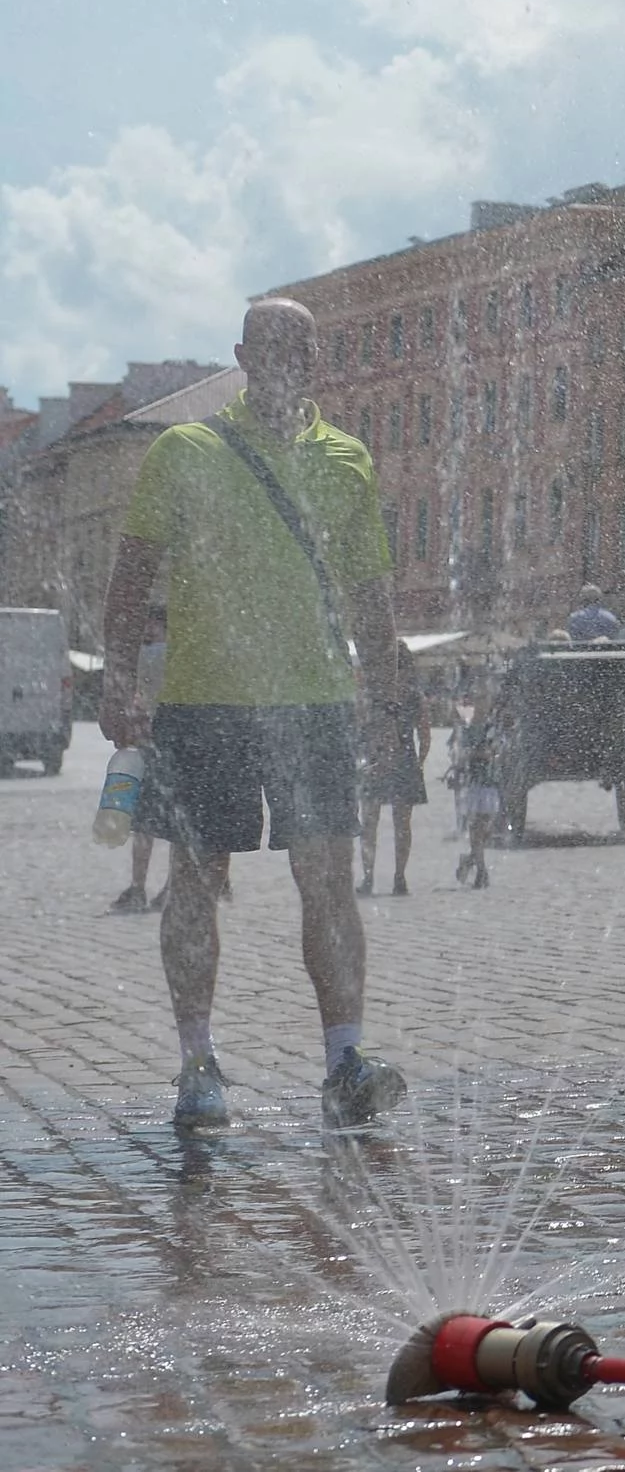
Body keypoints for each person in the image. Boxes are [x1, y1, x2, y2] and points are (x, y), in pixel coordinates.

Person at [96, 297, 410, 1132]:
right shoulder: (186, 449)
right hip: (205, 700)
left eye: (301, 348)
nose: (286, 361)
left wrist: (386, 698)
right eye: (271, 346)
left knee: (328, 879)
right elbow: (134, 575)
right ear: (242, 354)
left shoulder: (346, 459)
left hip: (315, 702)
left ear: (318, 362)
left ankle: (345, 1060)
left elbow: (372, 598)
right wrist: (118, 676)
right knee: (196, 879)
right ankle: (198, 1063)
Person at [111, 604, 172, 913]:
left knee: (145, 822)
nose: (147, 631)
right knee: (174, 822)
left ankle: (138, 887)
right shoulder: (177, 656)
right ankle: (170, 887)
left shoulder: (151, 655)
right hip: (171, 744)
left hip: (151, 744)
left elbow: (137, 698)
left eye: (152, 626)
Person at [358, 669, 431, 897]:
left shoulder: (373, 695)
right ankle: (399, 876)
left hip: (376, 761)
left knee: (369, 823)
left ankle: (369, 876)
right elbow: (425, 735)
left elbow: (361, 727)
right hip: (404, 762)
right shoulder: (414, 696)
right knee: (401, 826)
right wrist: (417, 762)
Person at [447, 680, 502, 888]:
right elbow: (461, 752)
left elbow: (494, 751)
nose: (481, 704)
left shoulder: (491, 726)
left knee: (486, 828)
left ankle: (470, 859)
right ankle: (481, 871)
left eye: (484, 699)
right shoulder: (468, 727)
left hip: (491, 781)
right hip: (473, 782)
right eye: (478, 699)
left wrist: (478, 753)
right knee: (476, 827)